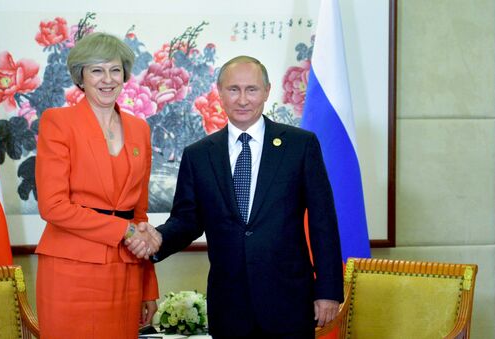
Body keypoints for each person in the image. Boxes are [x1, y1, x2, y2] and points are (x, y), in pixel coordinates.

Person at [128, 55, 344, 338]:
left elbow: (323, 223)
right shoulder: (199, 155)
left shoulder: (300, 146)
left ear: (266, 92)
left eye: (251, 89)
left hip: (289, 302)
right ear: (219, 92)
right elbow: (187, 220)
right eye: (233, 89)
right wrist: (157, 239)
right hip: (229, 305)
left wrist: (327, 291)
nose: (242, 99)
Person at [35, 32, 161, 338]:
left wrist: (148, 286)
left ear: (125, 75)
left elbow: (139, 216)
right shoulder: (58, 122)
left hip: (126, 272)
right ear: (81, 77)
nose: (108, 79)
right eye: (97, 70)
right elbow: (53, 206)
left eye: (115, 70)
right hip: (71, 272)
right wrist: (124, 231)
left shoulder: (139, 129)